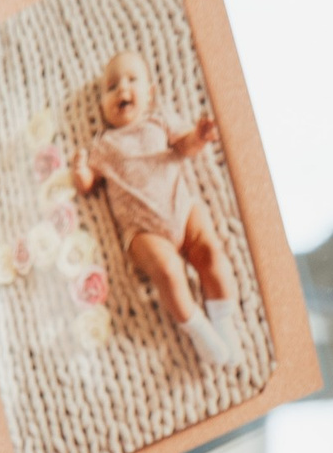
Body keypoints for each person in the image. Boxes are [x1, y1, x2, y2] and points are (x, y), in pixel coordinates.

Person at [69, 47, 233, 367]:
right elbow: (88, 184)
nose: (122, 89)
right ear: (102, 105)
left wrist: (199, 137)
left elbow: (185, 146)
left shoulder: (159, 121)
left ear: (150, 93)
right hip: (143, 230)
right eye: (112, 87)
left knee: (210, 253)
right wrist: (80, 171)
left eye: (132, 80)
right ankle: (198, 328)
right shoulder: (104, 144)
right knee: (169, 273)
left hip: (181, 208)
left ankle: (224, 321)